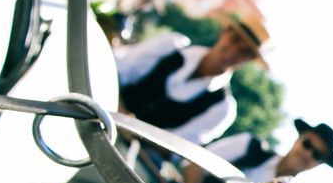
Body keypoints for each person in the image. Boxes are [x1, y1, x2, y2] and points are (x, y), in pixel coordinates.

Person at [115, 10, 270, 145]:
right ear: (225, 32)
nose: (234, 51)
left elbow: (177, 146)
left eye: (245, 52)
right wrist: (119, 109)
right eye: (235, 40)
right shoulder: (170, 45)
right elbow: (120, 70)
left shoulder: (222, 109)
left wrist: (133, 132)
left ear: (248, 61)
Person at [185, 118, 333, 183]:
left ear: (318, 164)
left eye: (317, 155)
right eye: (307, 144)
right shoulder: (249, 145)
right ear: (297, 139)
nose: (308, 154)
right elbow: (195, 163)